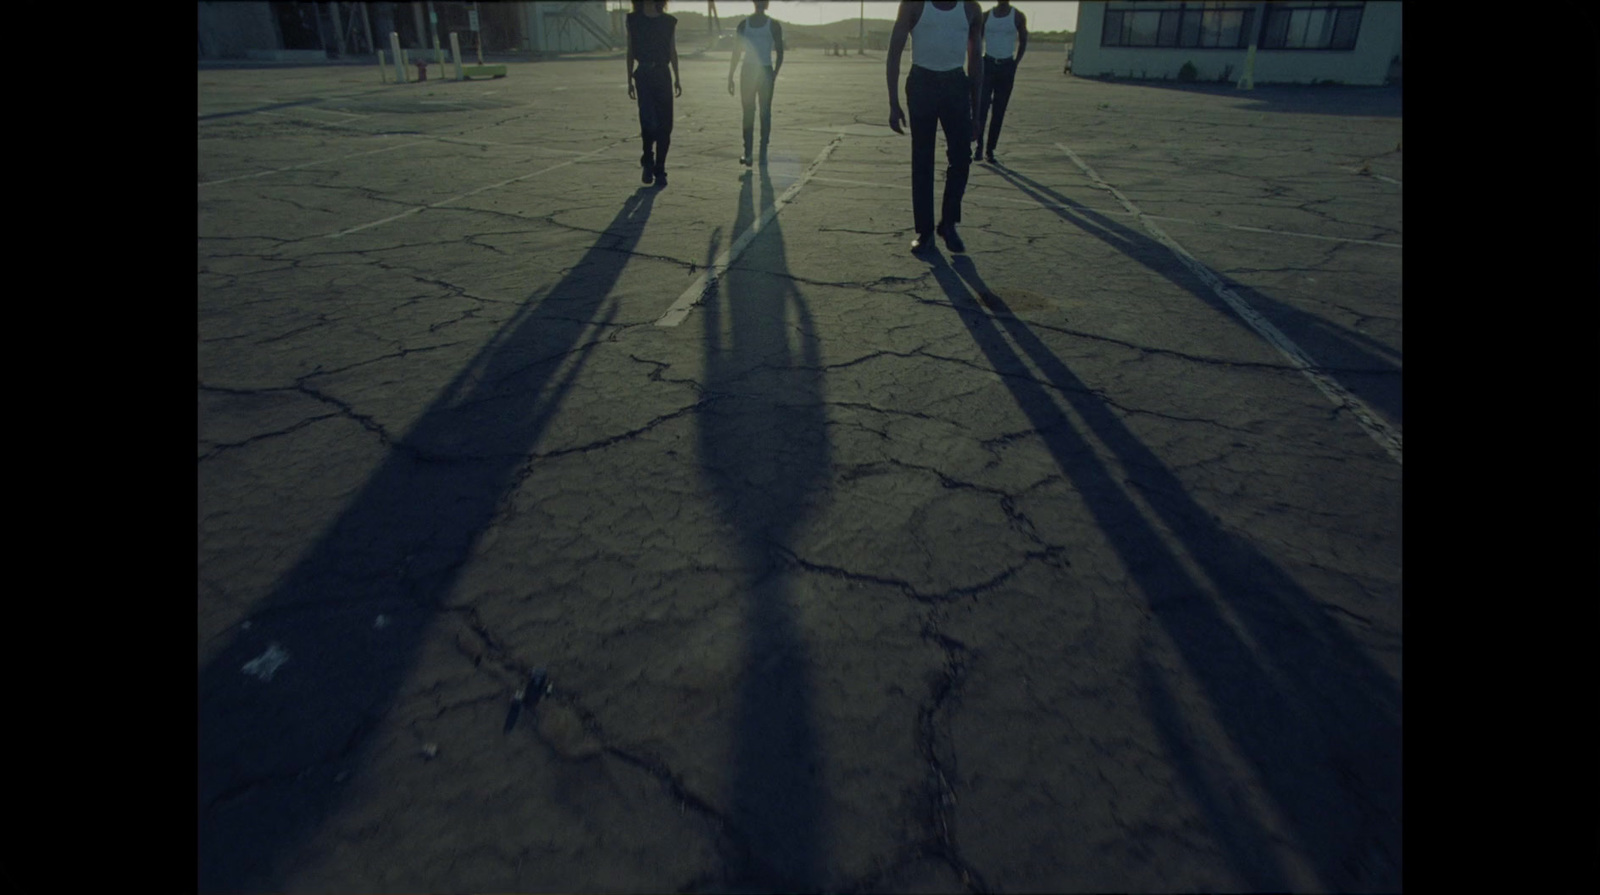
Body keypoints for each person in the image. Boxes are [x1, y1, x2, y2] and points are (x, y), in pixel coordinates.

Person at [887, 1, 984, 253]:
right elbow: (894, 51)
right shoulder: (914, 5)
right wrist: (893, 103)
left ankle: (948, 224)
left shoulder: (971, 9)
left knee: (962, 157)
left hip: (955, 84)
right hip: (922, 84)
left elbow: (975, 60)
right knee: (922, 160)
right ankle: (925, 231)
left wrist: (976, 112)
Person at [626, 0, 682, 187]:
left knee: (666, 124)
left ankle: (660, 168)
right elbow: (630, 50)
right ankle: (648, 160)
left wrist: (677, 78)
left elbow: (672, 51)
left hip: (662, 74)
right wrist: (629, 80)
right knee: (648, 120)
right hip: (643, 74)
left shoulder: (668, 21)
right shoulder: (633, 20)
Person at [727, 0, 785, 166]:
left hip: (755, 71)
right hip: (758, 71)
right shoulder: (746, 24)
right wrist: (774, 73)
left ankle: (752, 152)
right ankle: (756, 153)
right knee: (762, 112)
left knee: (754, 112)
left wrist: (731, 75)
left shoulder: (767, 25)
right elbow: (780, 53)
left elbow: (736, 53)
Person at [974, 0, 1027, 164]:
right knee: (981, 108)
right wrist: (977, 62)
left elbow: (1024, 39)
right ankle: (979, 146)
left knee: (999, 110)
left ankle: (990, 150)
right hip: (988, 65)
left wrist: (1015, 63)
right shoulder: (986, 16)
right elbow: (976, 39)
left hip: (1006, 67)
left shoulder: (1017, 15)